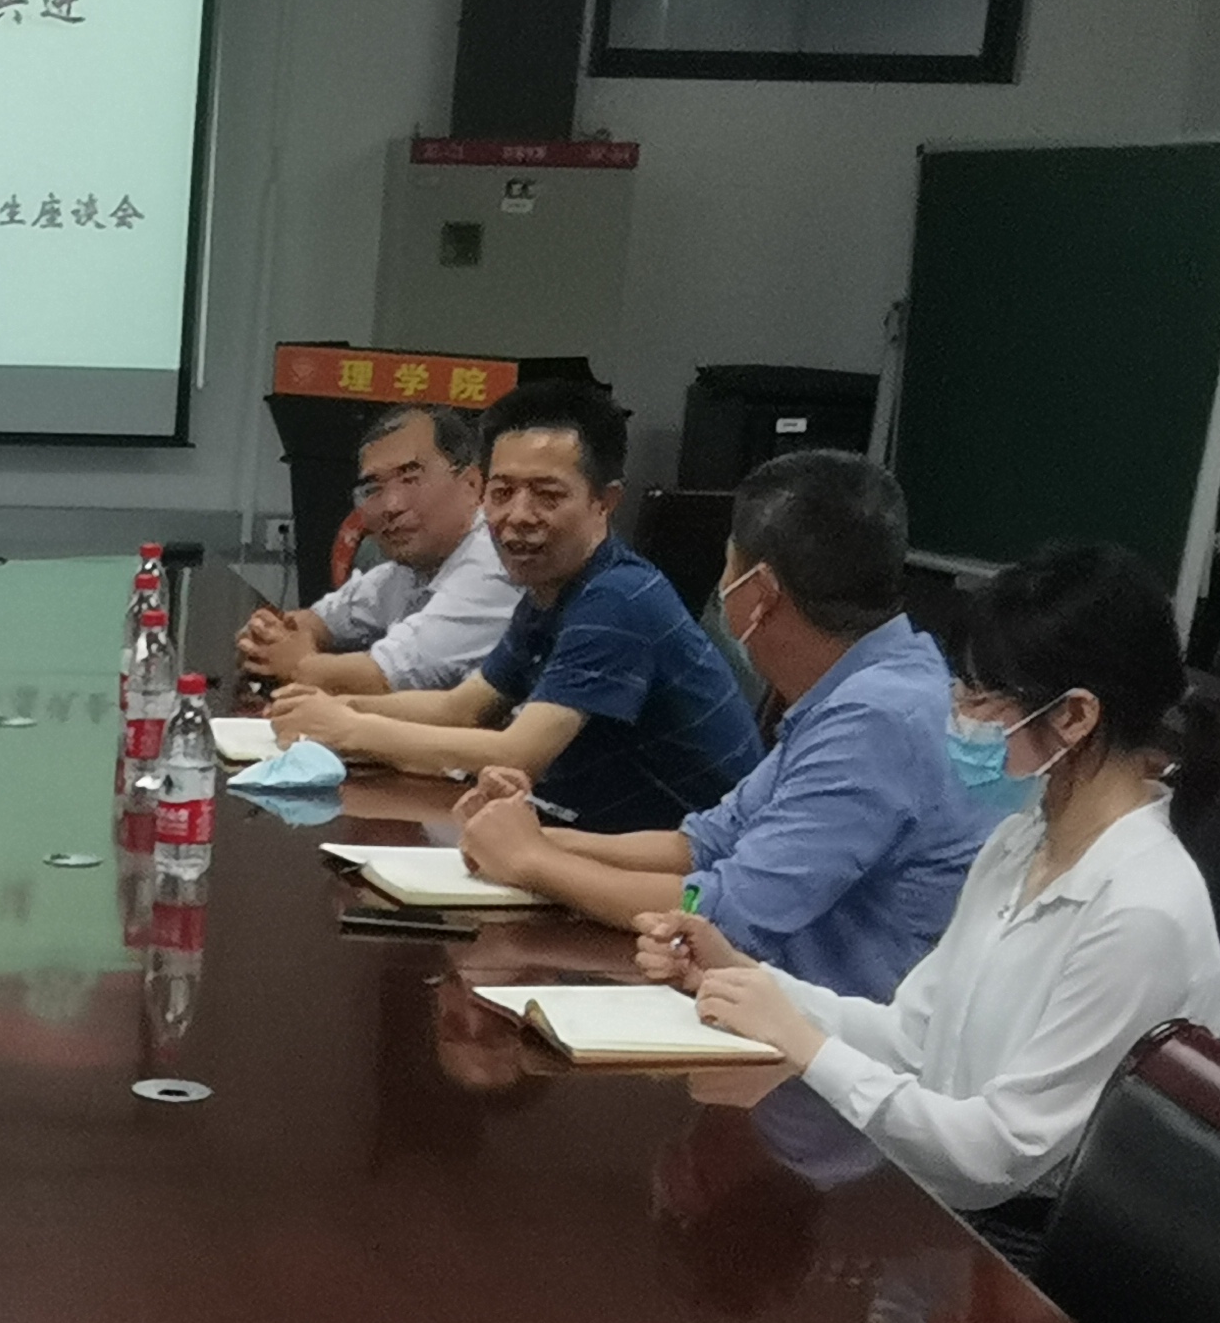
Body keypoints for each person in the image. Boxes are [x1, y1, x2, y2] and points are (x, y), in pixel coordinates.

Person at [633, 540, 1220, 1225]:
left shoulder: (1141, 913)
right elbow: (915, 1038)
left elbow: (994, 1158)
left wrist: (805, 1047)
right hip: (945, 1198)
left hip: (1033, 1243)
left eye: (981, 697)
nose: (959, 717)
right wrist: (742, 977)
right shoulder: (1020, 843)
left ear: (1075, 716)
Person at [447, 449, 998, 1001]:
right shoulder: (862, 685)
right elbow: (703, 844)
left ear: (760, 593)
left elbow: (728, 914)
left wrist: (534, 862)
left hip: (836, 1030)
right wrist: (529, 834)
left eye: (728, 564)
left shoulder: (878, 718)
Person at [270, 380, 760, 832]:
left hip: (686, 869)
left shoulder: (618, 599)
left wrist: (353, 729)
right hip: (589, 834)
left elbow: (518, 752)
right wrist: (336, 708)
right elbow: (462, 708)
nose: (518, 516)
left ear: (605, 501)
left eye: (547, 495)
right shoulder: (546, 589)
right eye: (502, 493)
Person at [232, 403, 517, 695]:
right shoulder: (409, 568)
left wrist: (296, 662)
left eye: (411, 479)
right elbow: (321, 620)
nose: (391, 506)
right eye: (373, 489)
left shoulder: (497, 561)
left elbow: (384, 677)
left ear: (471, 485)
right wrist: (269, 635)